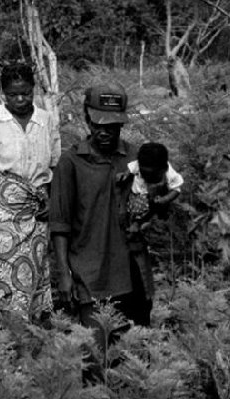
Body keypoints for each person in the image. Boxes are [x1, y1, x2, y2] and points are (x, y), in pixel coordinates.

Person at [49, 83, 153, 339]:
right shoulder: (70, 163)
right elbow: (59, 224)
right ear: (87, 118)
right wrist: (64, 274)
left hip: (131, 274)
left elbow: (152, 205)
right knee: (96, 355)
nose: (105, 131)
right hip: (89, 275)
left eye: (112, 126)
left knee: (135, 355)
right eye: (98, 124)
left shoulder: (134, 157)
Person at [0, 62, 60, 322]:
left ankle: (30, 322)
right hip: (0, 207)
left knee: (33, 264)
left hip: (35, 207)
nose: (20, 99)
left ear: (33, 90)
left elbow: (52, 166)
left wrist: (51, 199)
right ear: (3, 93)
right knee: (1, 265)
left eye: (26, 93)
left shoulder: (46, 121)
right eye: (13, 94)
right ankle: (2, 322)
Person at [124, 142, 183, 239]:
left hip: (156, 196)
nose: (147, 177)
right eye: (144, 173)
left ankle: (139, 224)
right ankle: (135, 223)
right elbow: (130, 169)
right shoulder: (138, 164)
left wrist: (165, 199)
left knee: (150, 211)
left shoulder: (169, 173)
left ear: (163, 169)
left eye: (151, 174)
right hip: (137, 195)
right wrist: (125, 174)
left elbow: (176, 190)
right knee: (131, 208)